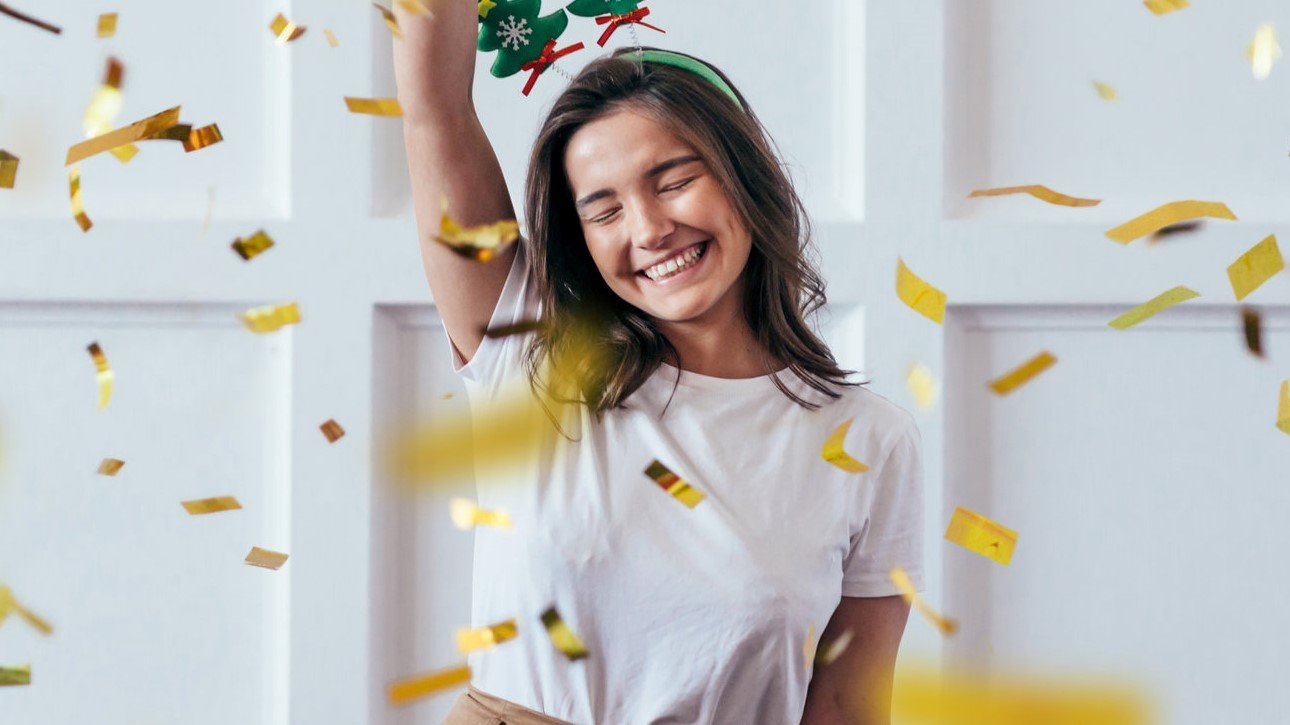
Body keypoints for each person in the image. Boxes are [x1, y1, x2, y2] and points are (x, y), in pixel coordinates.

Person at [393, 3, 923, 723]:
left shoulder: (870, 440)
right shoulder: (531, 349)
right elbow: (434, 109)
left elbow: (846, 707)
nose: (648, 229)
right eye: (604, 210)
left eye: (673, 180)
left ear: (743, 177)